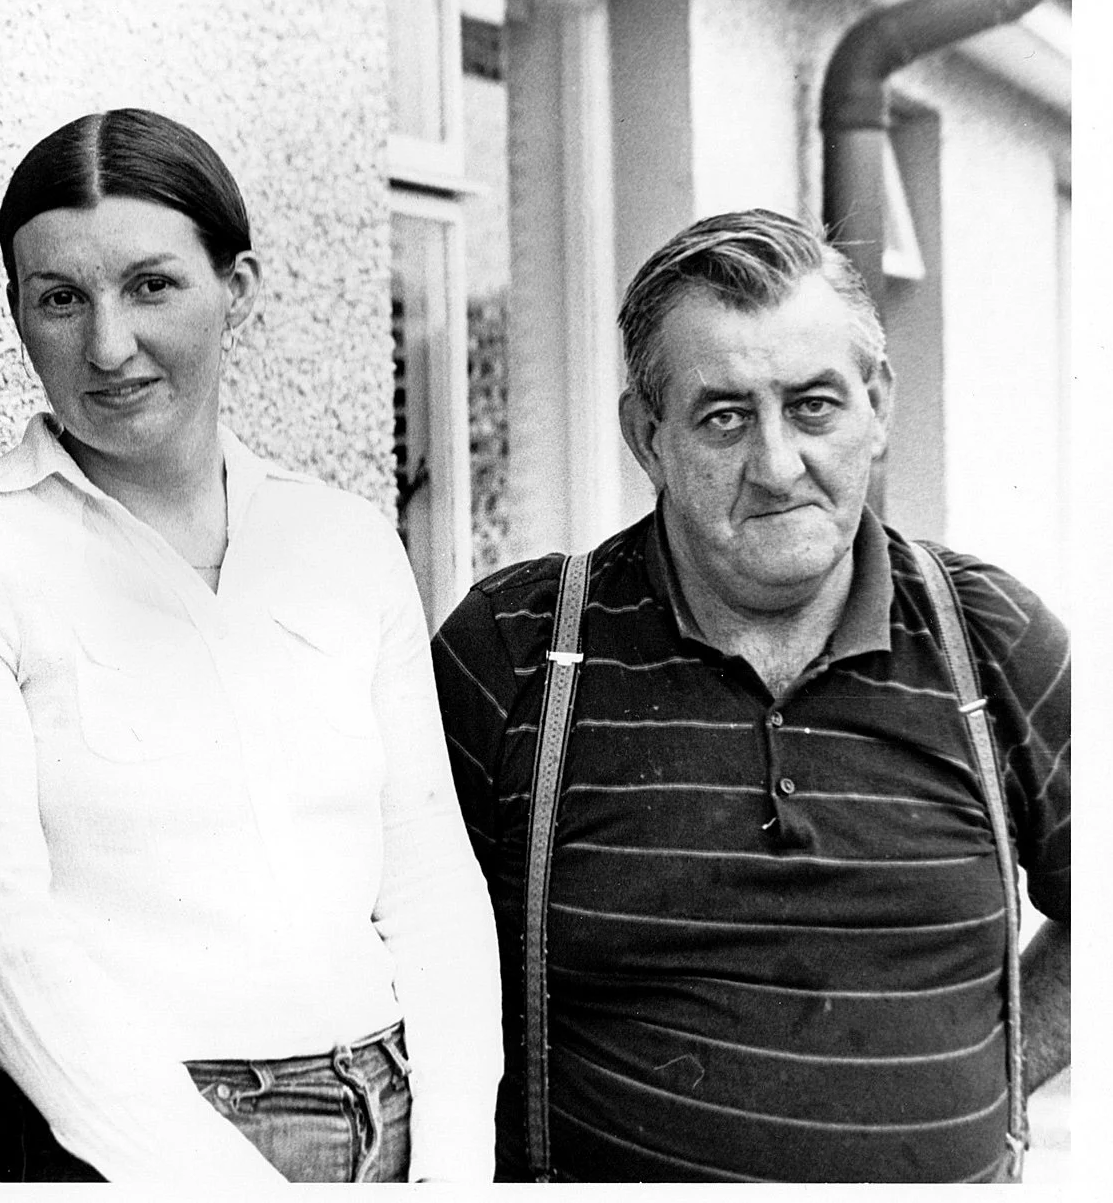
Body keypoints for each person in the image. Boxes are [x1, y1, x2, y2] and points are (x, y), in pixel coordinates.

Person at [433, 208, 1070, 1183]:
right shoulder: (515, 650)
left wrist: (996, 1071)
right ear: (647, 434)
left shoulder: (989, 639)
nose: (776, 467)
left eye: (813, 405)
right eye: (724, 415)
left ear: (879, 405)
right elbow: (399, 959)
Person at [0, 108, 499, 1184]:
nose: (108, 345)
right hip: (133, 1147)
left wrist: (458, 1163)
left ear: (237, 288)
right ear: (18, 315)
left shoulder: (342, 540)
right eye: (62, 298)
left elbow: (427, 871)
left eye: (152, 285)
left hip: (393, 1117)